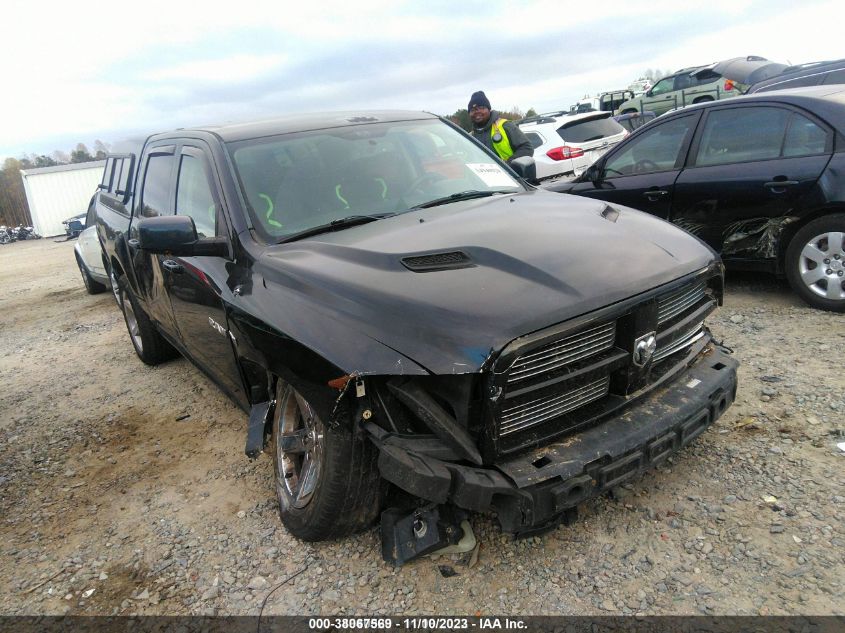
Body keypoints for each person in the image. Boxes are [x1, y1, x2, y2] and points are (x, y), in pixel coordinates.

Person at [467, 91, 533, 163]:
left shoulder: (505, 126)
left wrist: (508, 165)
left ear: (489, 109)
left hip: (508, 173)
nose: (477, 112)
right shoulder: (469, 137)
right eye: (472, 110)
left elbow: (527, 148)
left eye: (481, 108)